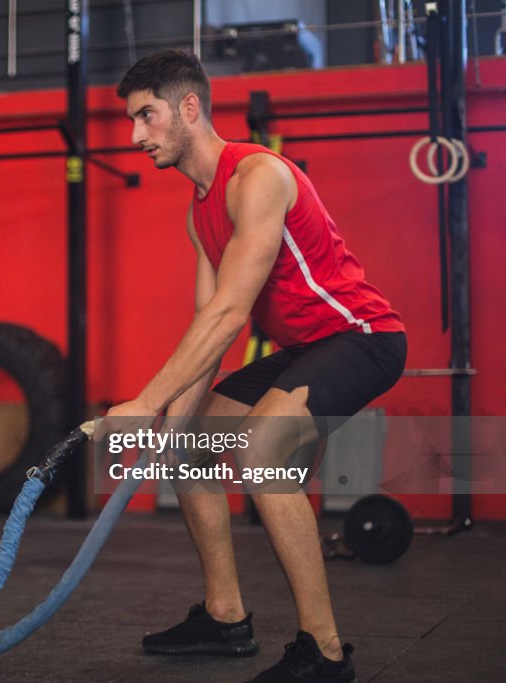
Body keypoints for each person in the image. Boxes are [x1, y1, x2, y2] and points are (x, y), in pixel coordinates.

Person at [109, 49, 407, 683]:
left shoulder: (258, 177)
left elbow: (231, 310)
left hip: (363, 336)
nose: (136, 135)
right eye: (133, 120)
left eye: (147, 116)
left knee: (262, 447)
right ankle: (225, 617)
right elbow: (208, 330)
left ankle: (324, 653)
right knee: (188, 450)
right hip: (303, 350)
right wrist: (171, 425)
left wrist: (143, 401)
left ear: (189, 108)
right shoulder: (200, 209)